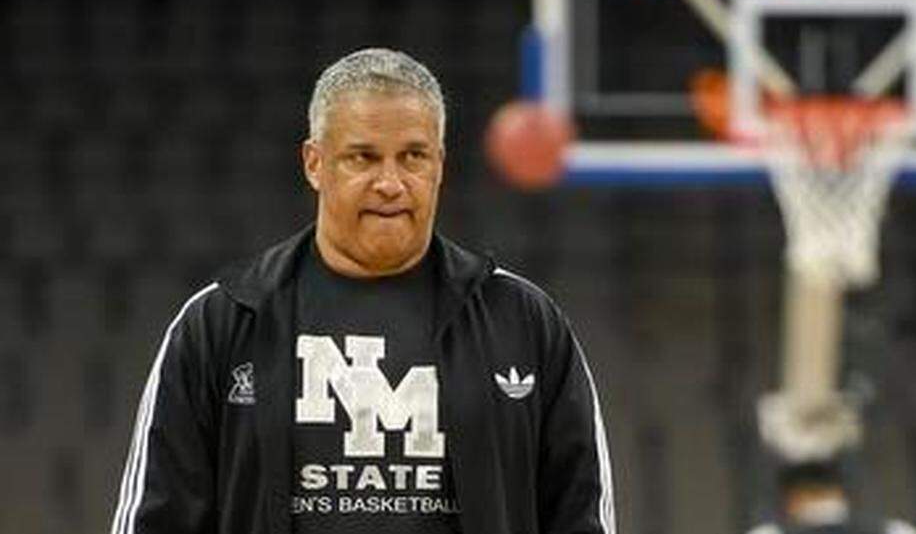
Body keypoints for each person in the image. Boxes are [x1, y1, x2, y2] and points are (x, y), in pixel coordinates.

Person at [110, 48, 617, 534]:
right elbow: (154, 520)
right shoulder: (222, 320)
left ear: (439, 163)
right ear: (314, 163)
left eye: (413, 156)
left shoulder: (523, 321)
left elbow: (581, 516)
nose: (390, 182)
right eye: (363, 157)